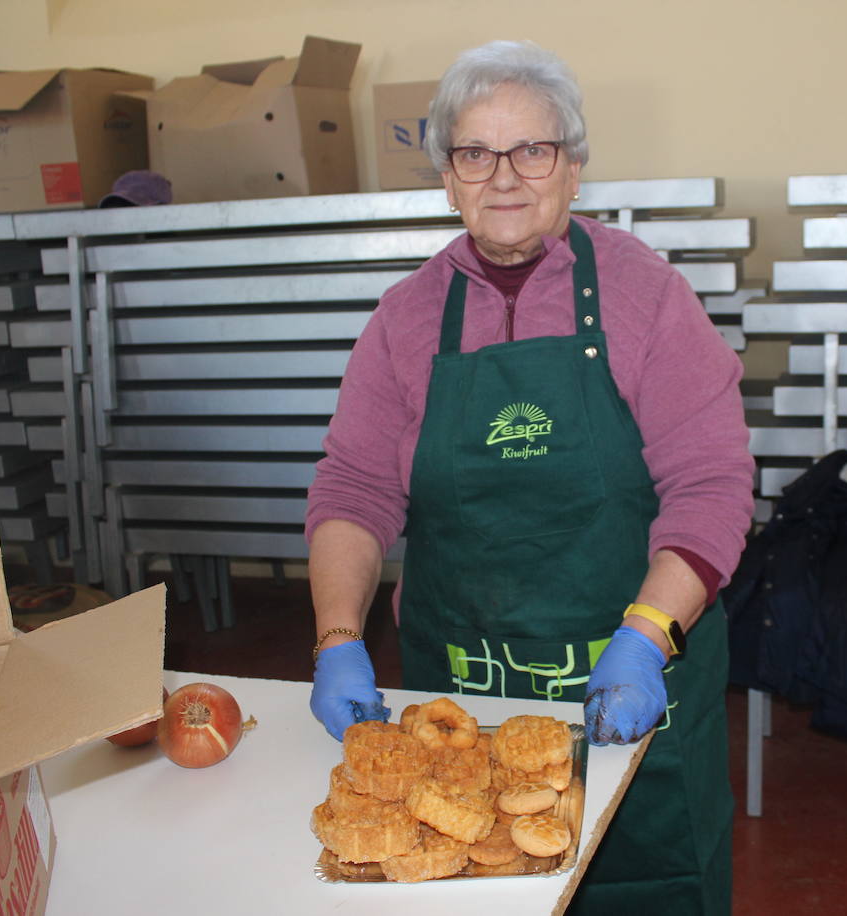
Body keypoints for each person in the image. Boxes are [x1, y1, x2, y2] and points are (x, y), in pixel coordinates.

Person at [305, 39, 753, 913]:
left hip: (633, 695)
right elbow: (355, 490)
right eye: (474, 152)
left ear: (574, 168)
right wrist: (337, 638)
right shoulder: (404, 321)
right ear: (447, 176)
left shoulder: (647, 299)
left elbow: (712, 487)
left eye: (532, 150)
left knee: (652, 889)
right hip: (461, 702)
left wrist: (648, 635)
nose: (503, 176)